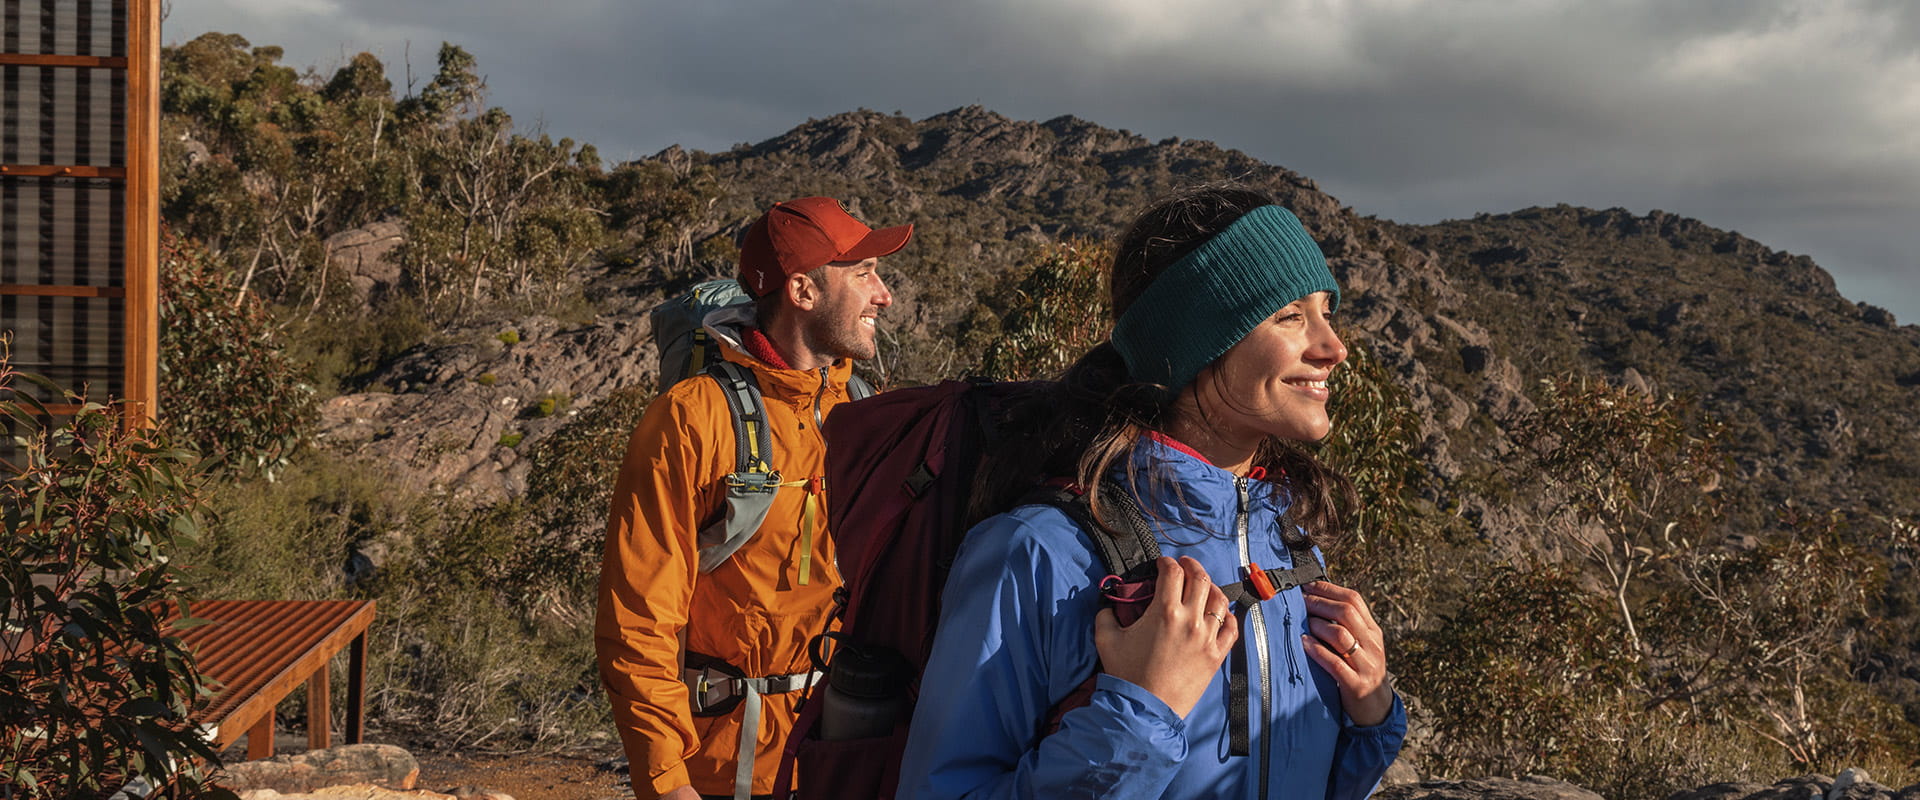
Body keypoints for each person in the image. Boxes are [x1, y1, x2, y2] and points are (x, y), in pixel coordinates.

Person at [896, 185, 1406, 799]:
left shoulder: (1287, 544)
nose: (1332, 346)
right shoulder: (1039, 553)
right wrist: (1140, 713)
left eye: (1326, 311)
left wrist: (1369, 716)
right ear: (1196, 341)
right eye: (1290, 316)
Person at [596, 196, 909, 800]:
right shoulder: (691, 419)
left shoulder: (859, 412)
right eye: (864, 273)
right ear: (802, 290)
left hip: (841, 753)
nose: (884, 294)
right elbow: (639, 621)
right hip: (722, 769)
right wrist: (666, 782)